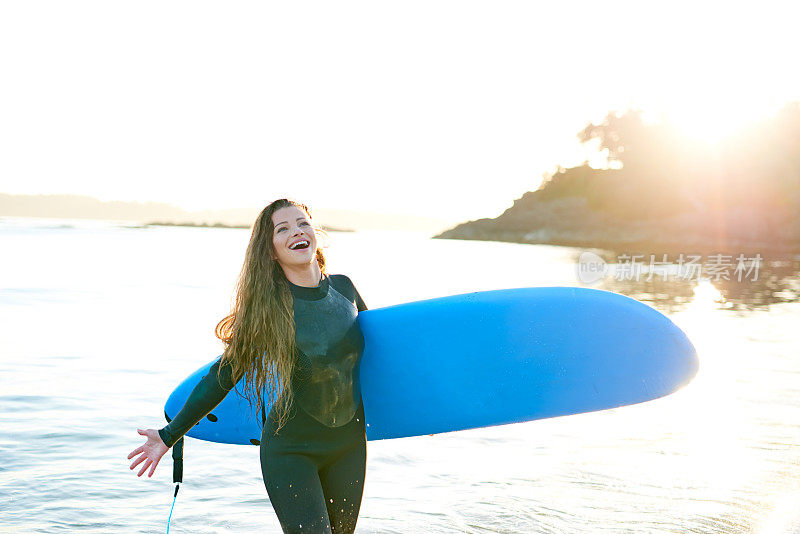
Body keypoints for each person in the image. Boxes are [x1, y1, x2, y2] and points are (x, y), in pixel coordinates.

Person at [127, 198, 369, 534]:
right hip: (291, 451)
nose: (296, 232)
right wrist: (169, 435)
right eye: (282, 229)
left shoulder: (345, 289)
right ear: (270, 251)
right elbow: (222, 377)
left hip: (349, 446)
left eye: (302, 223)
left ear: (314, 231)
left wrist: (430, 406)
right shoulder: (270, 310)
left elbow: (377, 359)